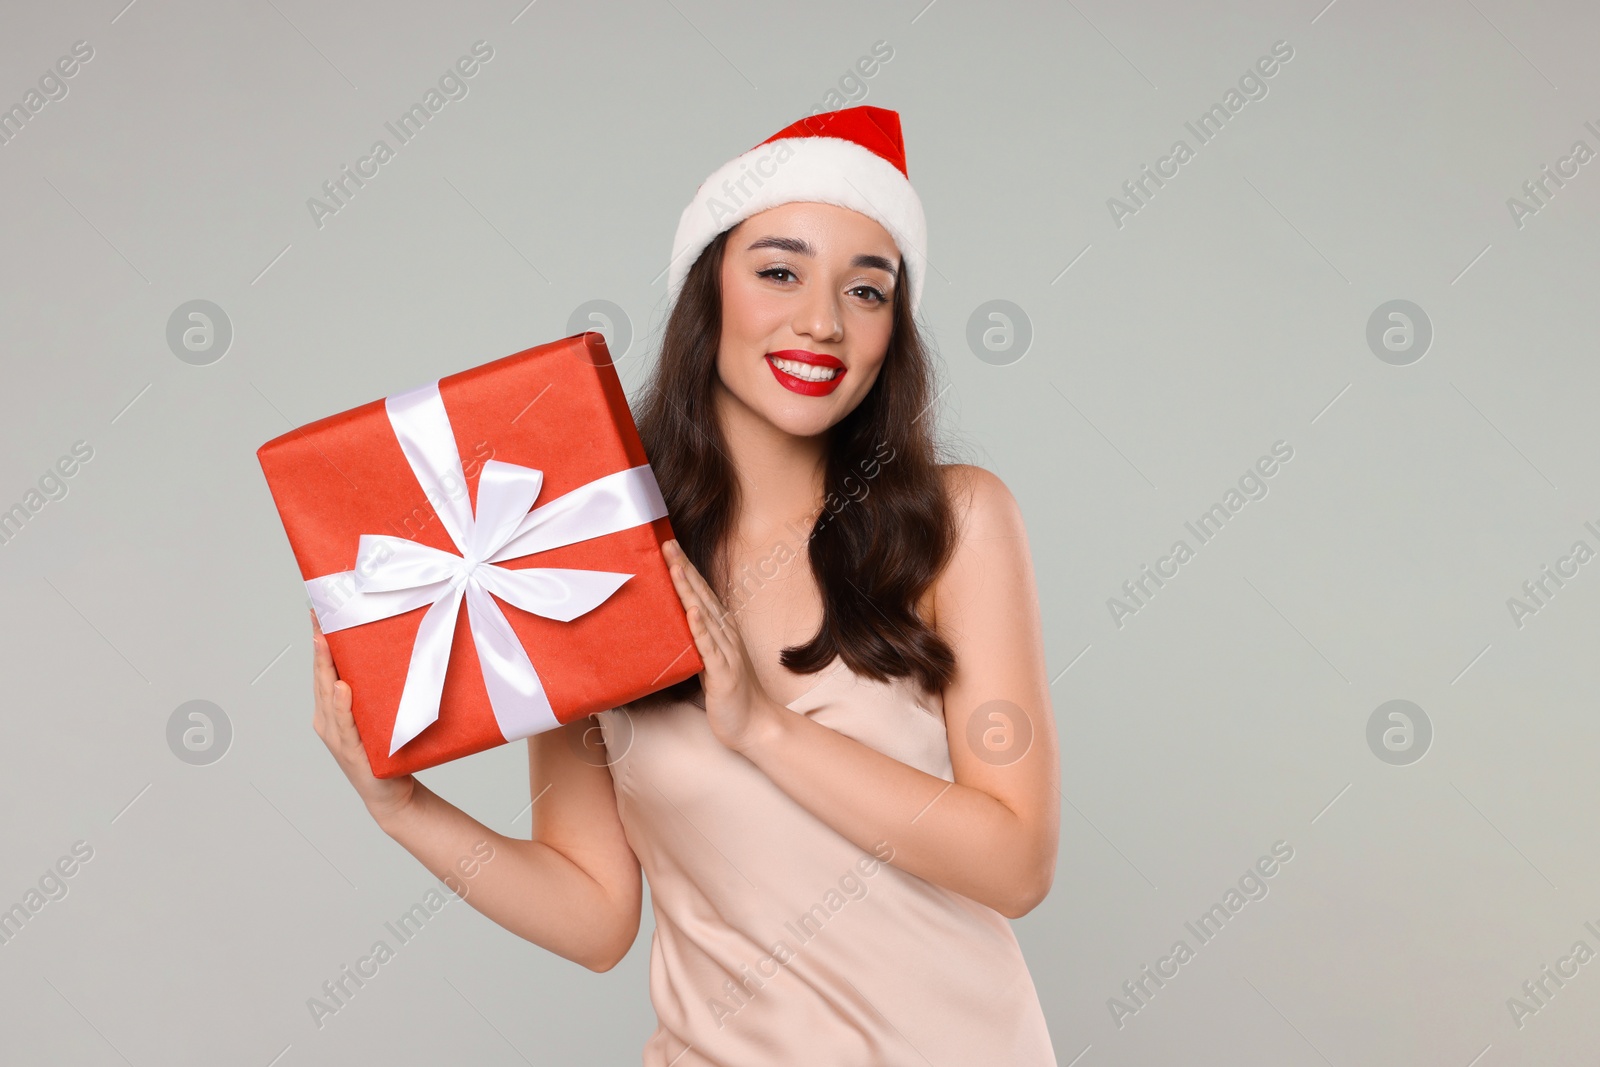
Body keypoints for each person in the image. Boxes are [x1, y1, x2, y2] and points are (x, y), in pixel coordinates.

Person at [310, 105, 1060, 1065]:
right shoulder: (575, 558)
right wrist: (404, 808)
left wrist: (763, 728)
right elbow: (594, 914)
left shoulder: (955, 522)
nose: (822, 320)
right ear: (708, 293)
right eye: (779, 271)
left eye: (867, 291)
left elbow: (1017, 859)